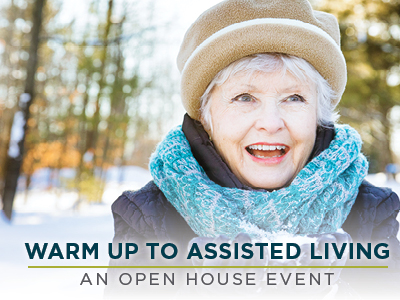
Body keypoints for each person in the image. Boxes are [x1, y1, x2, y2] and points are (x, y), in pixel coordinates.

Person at [107, 0, 400, 298]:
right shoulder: (148, 217)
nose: (271, 124)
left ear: (318, 116)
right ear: (206, 117)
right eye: (244, 97)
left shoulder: (371, 213)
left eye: (294, 98)